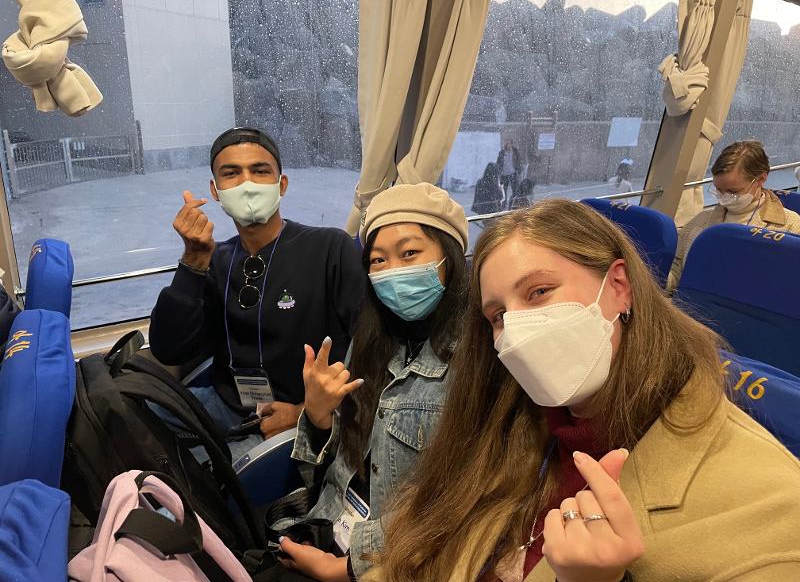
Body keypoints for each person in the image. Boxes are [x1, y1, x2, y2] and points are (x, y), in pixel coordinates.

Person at [365, 199, 800, 582]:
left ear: (618, 286)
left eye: (538, 293)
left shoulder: (775, 512)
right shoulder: (507, 418)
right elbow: (421, 545)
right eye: (498, 316)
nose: (515, 333)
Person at [277, 183, 469, 581]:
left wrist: (347, 568)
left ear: (449, 257)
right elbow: (328, 473)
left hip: (391, 561)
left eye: (410, 253)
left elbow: (457, 500)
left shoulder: (476, 359)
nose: (393, 271)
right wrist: (316, 416)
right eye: (378, 260)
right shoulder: (370, 340)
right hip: (328, 523)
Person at [149, 127, 364, 461]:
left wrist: (306, 411)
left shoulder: (329, 248)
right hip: (225, 403)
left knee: (193, 497)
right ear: (215, 190)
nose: (247, 183)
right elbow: (168, 349)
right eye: (231, 173)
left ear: (282, 184)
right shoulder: (214, 259)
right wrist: (193, 261)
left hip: (291, 414)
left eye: (260, 171)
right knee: (127, 409)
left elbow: (370, 347)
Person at [668, 140, 800, 291]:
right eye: (718, 190)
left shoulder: (791, 227)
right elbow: (677, 269)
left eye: (732, 192)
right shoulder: (700, 222)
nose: (723, 197)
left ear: (761, 179)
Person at [496, 139, 522, 210]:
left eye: (509, 143)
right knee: (504, 191)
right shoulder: (502, 152)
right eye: (506, 143)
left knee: (515, 190)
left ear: (511, 144)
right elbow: (498, 163)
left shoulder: (515, 152)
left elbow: (519, 162)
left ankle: (513, 203)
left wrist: (518, 170)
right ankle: (504, 205)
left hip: (513, 174)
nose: (507, 145)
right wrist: (499, 171)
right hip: (504, 174)